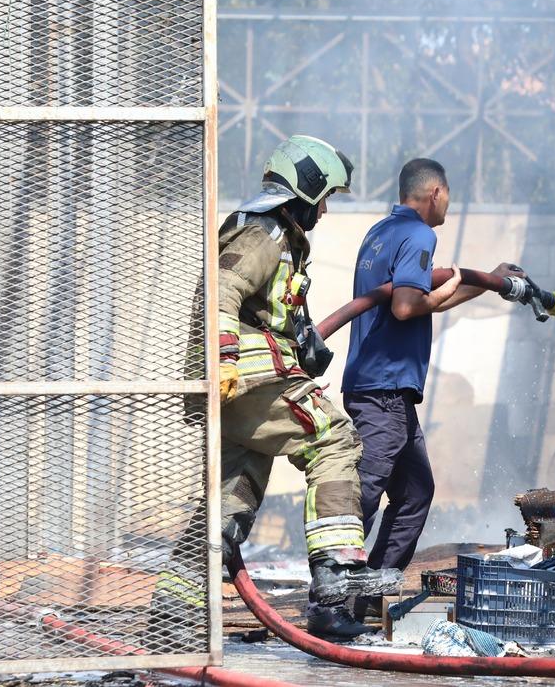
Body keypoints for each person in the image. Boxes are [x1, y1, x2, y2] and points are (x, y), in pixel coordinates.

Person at [151, 136, 400, 646]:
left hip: (242, 388)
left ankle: (171, 613)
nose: (325, 209)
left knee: (231, 499)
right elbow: (224, 291)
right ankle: (337, 571)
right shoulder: (263, 232)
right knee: (334, 439)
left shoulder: (280, 238)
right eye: (323, 196)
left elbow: (264, 310)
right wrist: (223, 363)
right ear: (303, 190)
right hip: (249, 382)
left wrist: (303, 343)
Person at [341, 158, 524, 581]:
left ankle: (369, 589)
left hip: (383, 389)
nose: (448, 208)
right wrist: (463, 287)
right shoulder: (419, 234)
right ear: (435, 193)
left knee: (414, 493)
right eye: (449, 198)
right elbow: (408, 306)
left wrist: (489, 281)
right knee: (366, 491)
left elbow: (418, 297)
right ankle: (330, 593)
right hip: (383, 391)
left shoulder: (380, 233)